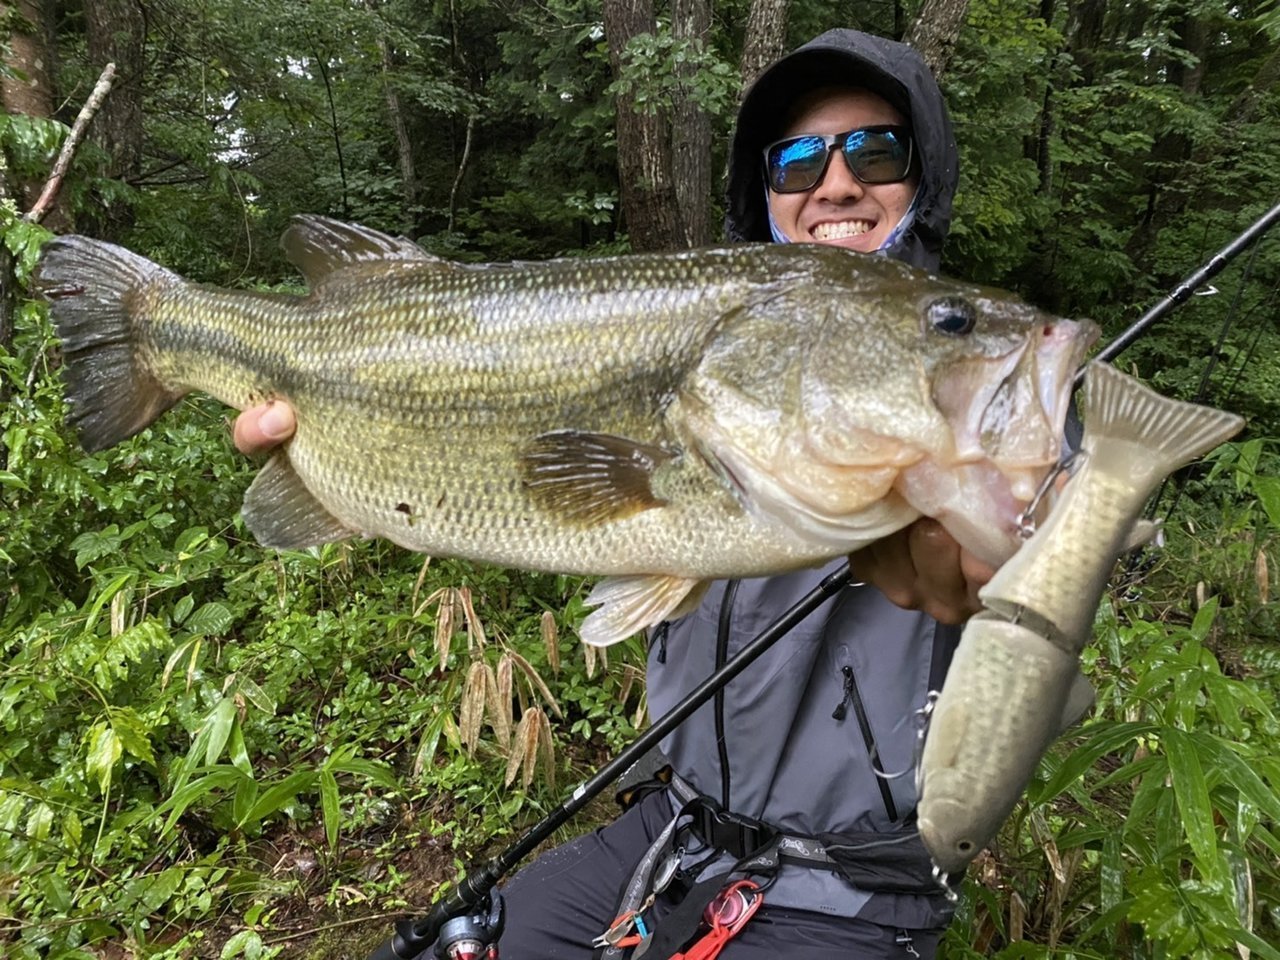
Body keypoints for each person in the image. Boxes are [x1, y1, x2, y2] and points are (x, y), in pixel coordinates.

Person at [235, 29, 988, 960]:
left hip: (852, 886)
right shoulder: (711, 335)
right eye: (797, 161)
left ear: (927, 177)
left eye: (876, 151)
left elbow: (1042, 540)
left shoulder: (973, 390)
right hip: (677, 829)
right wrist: (357, 461)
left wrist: (1006, 574)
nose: (834, 184)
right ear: (766, 192)